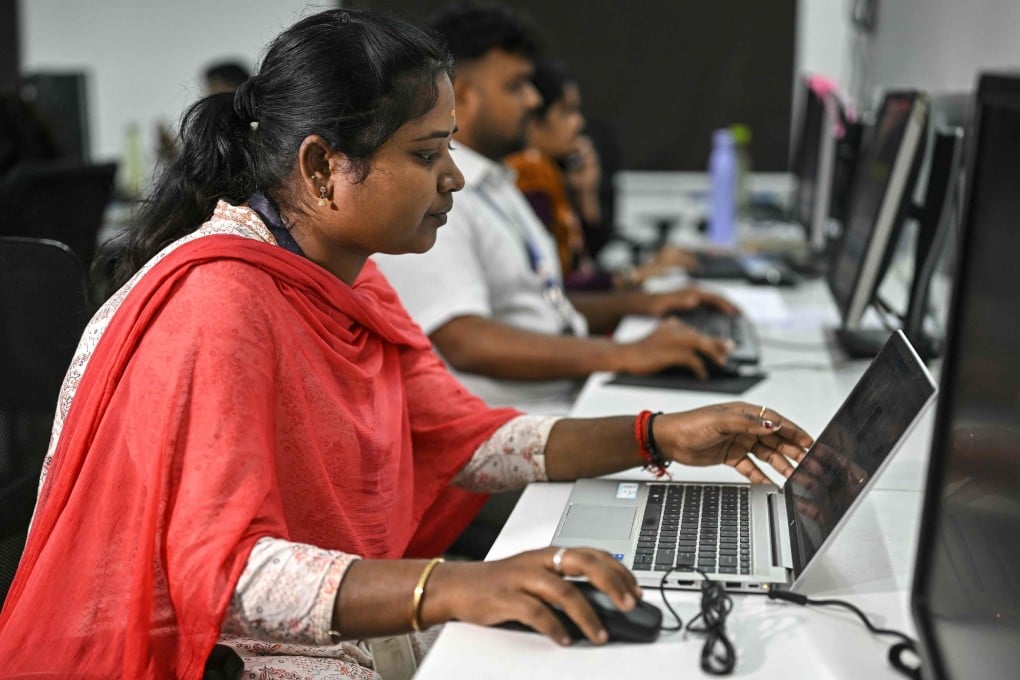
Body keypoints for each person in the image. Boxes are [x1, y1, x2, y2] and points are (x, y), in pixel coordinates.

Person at [0, 8, 813, 678]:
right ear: (323, 169)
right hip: (189, 653)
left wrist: (656, 435)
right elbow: (224, 577)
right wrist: (453, 586)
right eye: (427, 153)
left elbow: (463, 438)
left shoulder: (342, 274)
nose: (454, 177)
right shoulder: (223, 304)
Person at [374, 2, 737, 416]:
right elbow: (466, 341)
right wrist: (623, 353)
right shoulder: (435, 197)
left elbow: (544, 306)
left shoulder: (498, 182)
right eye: (516, 86)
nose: (532, 100)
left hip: (563, 403)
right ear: (461, 94)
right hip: (508, 433)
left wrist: (644, 304)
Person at [506, 57, 698, 291]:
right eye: (566, 112)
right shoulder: (528, 179)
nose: (579, 122)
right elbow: (558, 286)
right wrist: (637, 275)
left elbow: (585, 260)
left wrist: (585, 195)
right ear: (533, 121)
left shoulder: (553, 175)